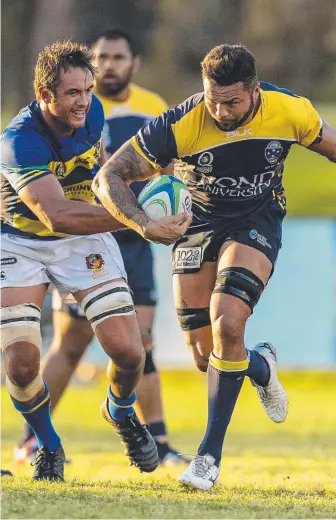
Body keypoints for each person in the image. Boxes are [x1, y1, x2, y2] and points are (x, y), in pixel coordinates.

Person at [92, 43, 336, 491]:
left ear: (255, 91)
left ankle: (208, 458)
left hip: (256, 220)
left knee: (227, 322)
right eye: (212, 99)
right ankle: (260, 366)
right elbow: (107, 177)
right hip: (196, 223)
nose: (220, 111)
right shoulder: (183, 122)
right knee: (207, 356)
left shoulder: (290, 111)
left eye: (232, 102)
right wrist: (145, 225)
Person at [0, 39, 191, 481]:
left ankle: (120, 411)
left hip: (83, 240)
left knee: (129, 352)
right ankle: (48, 445)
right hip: (22, 241)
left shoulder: (93, 114)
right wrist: (141, 220)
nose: (85, 100)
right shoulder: (19, 141)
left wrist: (150, 191)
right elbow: (56, 214)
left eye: (88, 90)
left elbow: (103, 175)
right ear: (45, 95)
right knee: (21, 363)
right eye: (73, 93)